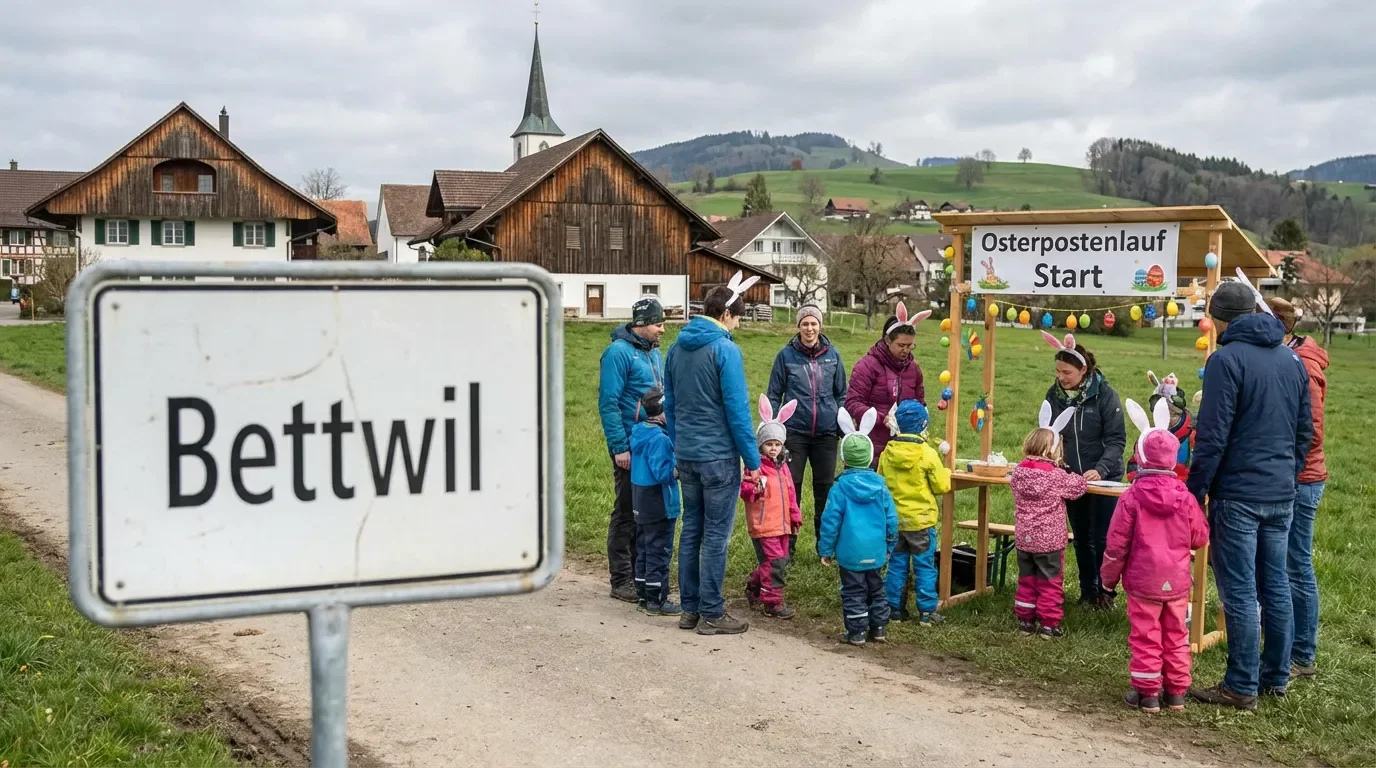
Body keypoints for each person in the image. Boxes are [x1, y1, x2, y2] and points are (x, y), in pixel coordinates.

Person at [1187, 280, 1312, 710]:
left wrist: (1195, 491)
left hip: (1238, 493)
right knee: (1274, 585)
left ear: (1219, 318)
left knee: (1239, 590)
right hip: (1280, 492)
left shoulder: (1225, 360)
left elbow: (1212, 436)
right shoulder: (1292, 359)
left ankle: (1241, 684)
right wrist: (1288, 476)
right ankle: (1275, 678)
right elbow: (1304, 432)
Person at [665, 274, 762, 636]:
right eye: (736, 319)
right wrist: (752, 461)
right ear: (724, 314)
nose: (736, 327)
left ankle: (689, 609)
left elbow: (670, 405)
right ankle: (712, 611)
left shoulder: (676, 348)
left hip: (687, 453)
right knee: (715, 536)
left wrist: (678, 446)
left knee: (691, 531)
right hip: (719, 456)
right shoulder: (725, 349)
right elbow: (737, 411)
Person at [1103, 398, 1210, 714]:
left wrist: (1107, 582)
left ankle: (1148, 692)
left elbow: (1116, 546)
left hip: (1142, 581)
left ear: (1140, 456)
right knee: (1177, 635)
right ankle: (1176, 692)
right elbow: (1201, 536)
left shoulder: (1132, 497)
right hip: (1176, 581)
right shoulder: (1185, 497)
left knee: (1146, 635)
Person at [1265, 296, 1328, 682]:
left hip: (1300, 480)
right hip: (1289, 476)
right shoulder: (1289, 357)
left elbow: (1312, 431)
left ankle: (1301, 654)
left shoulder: (1302, 365)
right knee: (1285, 566)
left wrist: (1284, 468)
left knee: (1295, 566)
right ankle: (1285, 645)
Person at [1041, 331, 1127, 609]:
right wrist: (1055, 461)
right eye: (1057, 371)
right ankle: (1087, 592)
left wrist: (1101, 469)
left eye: (1067, 372)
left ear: (1083, 370)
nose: (1061, 377)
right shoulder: (1054, 395)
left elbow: (1116, 441)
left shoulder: (1105, 395)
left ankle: (1106, 594)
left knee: (1102, 539)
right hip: (1070, 478)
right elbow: (1049, 432)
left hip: (1104, 480)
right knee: (1080, 538)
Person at [597, 297, 666, 602]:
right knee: (627, 510)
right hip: (630, 445)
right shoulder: (617, 354)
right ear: (640, 324)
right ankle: (620, 578)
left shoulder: (656, 354)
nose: (662, 329)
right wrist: (619, 447)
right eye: (657, 324)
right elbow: (609, 403)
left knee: (647, 511)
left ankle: (642, 573)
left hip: (653, 442)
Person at [767, 304, 847, 550]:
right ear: (798, 326)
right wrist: (773, 427)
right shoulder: (785, 356)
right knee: (792, 492)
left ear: (820, 326)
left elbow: (842, 393)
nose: (809, 328)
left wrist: (842, 423)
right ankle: (787, 547)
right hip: (795, 435)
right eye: (805, 323)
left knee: (825, 492)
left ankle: (824, 546)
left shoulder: (833, 355)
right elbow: (773, 394)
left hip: (826, 435)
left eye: (814, 323)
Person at [818, 407, 899, 647]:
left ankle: (856, 632)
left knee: (853, 591)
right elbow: (891, 518)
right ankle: (879, 628)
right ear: (871, 456)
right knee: (876, 589)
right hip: (876, 552)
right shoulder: (881, 486)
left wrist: (825, 549)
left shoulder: (840, 488)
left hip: (850, 553)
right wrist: (890, 543)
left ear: (843, 458)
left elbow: (830, 521)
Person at [1010, 403, 1088, 640]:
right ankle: (1049, 624)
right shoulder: (1056, 476)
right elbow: (1078, 488)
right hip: (1049, 542)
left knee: (1027, 580)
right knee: (1049, 582)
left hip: (1025, 538)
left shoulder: (1018, 473)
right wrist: (1072, 473)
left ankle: (1025, 619)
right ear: (1052, 451)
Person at [878, 400, 951, 625]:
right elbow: (941, 487)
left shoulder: (886, 453)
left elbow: (880, 482)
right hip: (921, 522)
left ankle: (894, 610)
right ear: (923, 425)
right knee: (924, 567)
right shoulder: (927, 454)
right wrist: (947, 471)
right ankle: (927, 612)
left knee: (897, 566)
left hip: (895, 522)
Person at [846, 302, 930, 467]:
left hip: (904, 448)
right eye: (901, 345)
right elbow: (852, 402)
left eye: (910, 346)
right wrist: (880, 418)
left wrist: (920, 418)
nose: (906, 350)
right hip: (872, 445)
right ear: (887, 340)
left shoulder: (914, 369)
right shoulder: (867, 366)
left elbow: (920, 402)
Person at [741, 396, 802, 620]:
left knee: (778, 561)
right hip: (764, 524)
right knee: (774, 562)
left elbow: (791, 494)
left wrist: (795, 516)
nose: (774, 448)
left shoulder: (783, 468)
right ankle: (773, 602)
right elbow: (745, 492)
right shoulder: (755, 467)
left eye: (777, 444)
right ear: (761, 445)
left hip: (783, 524)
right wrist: (754, 489)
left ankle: (755, 584)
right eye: (769, 444)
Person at [629, 388, 681, 616]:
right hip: (659, 502)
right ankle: (656, 599)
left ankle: (641, 592)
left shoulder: (639, 432)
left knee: (644, 548)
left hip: (640, 501)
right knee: (659, 551)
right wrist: (680, 471)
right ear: (662, 413)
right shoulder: (660, 439)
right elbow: (663, 473)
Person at [1125, 372, 1195, 483]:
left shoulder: (1192, 436)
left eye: (1172, 414)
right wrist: (1137, 480)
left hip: (1183, 491)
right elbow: (1134, 463)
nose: (1167, 418)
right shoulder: (1148, 437)